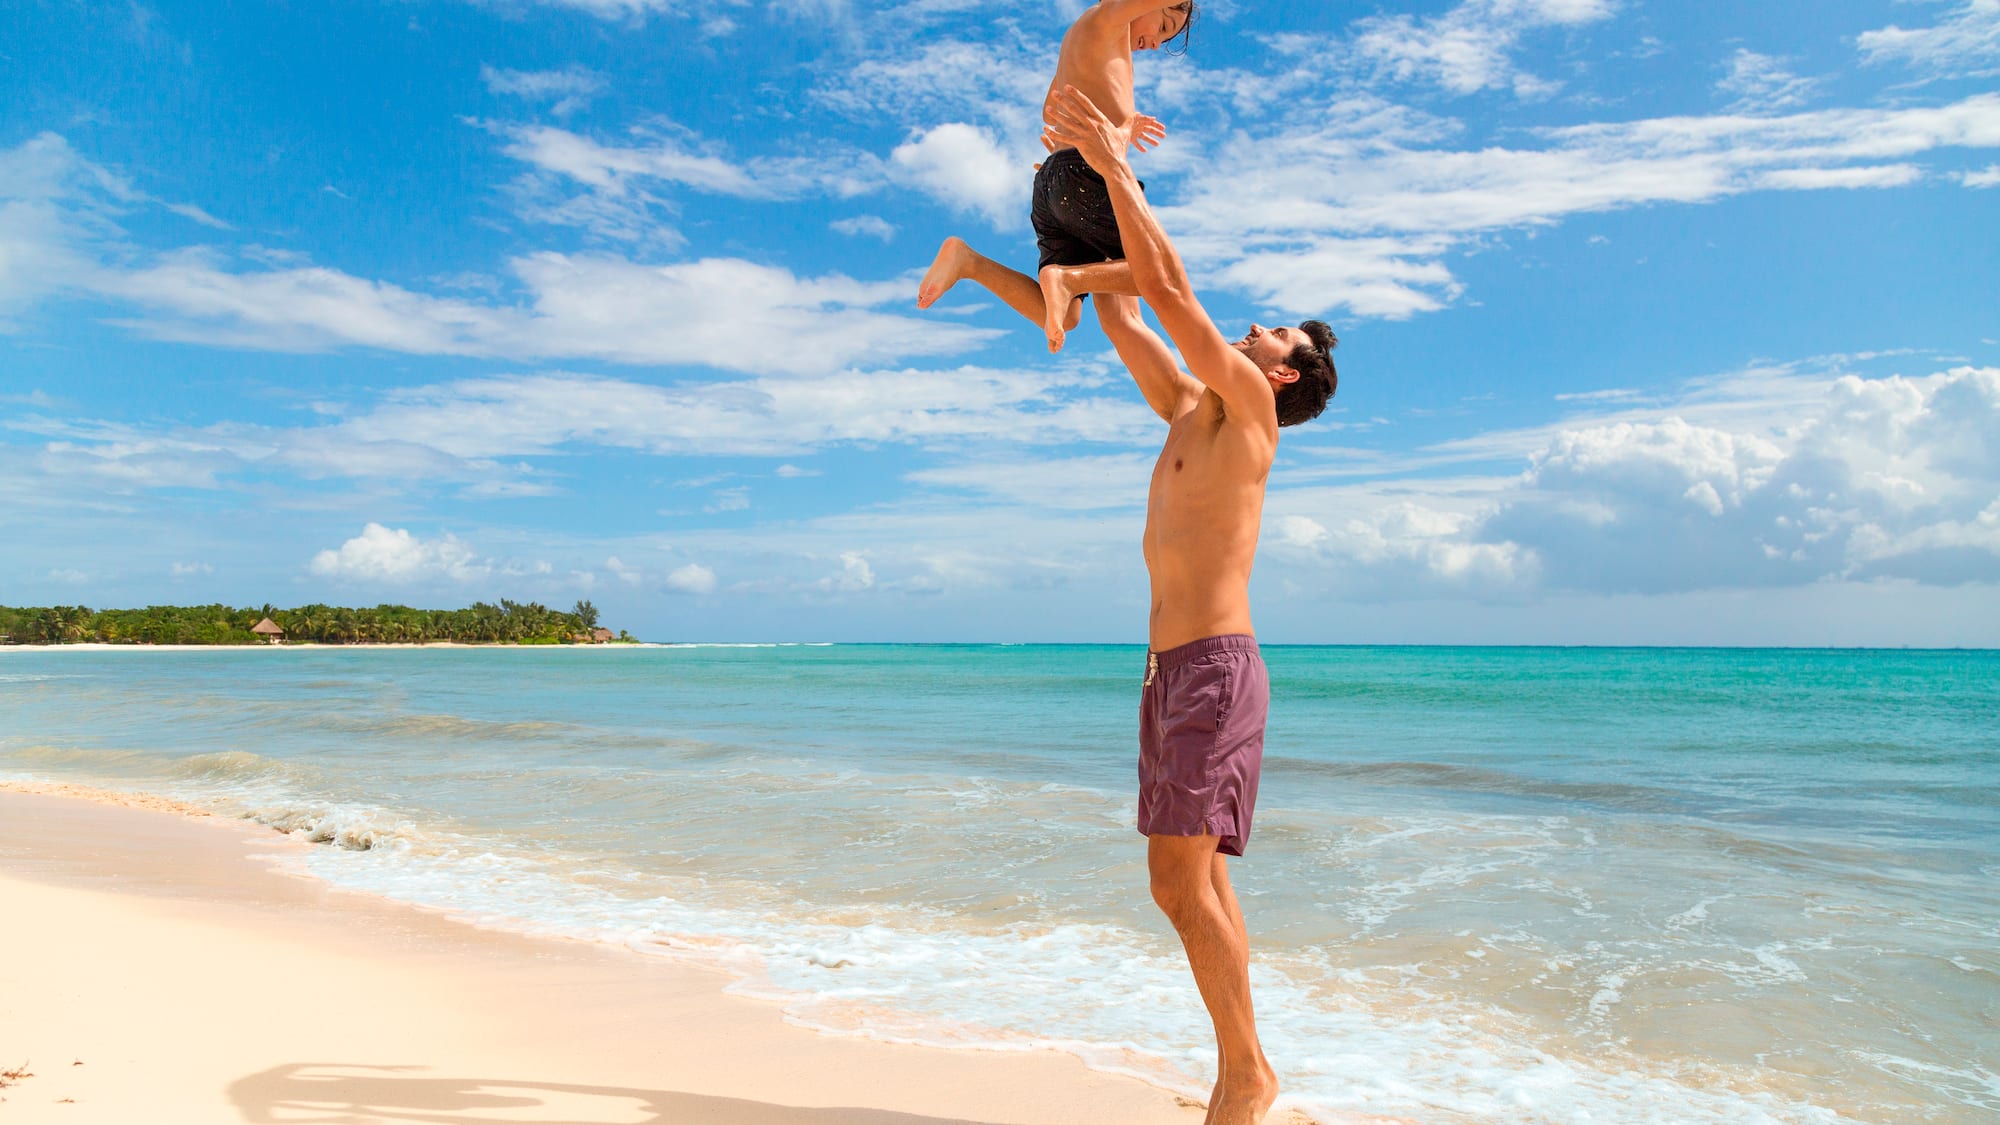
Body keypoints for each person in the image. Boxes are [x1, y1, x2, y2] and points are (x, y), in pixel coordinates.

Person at [1043, 82, 1338, 1125]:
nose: (1256, 329)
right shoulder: (1187, 410)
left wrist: (1118, 167)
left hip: (1214, 668)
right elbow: (1128, 312)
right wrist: (1083, 191)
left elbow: (1169, 290)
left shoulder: (1249, 407)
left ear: (1284, 378)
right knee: (1200, 883)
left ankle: (1246, 1073)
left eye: (1275, 335)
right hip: (1169, 673)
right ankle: (1241, 1072)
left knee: (1175, 883)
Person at [916, 0, 1194, 353]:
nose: (1156, 44)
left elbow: (1051, 110)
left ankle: (969, 261)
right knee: (1163, 273)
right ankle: (1067, 279)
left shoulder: (1089, 43)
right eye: (1164, 27)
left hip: (1052, 180)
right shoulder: (1108, 19)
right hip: (1085, 176)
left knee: (1065, 316)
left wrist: (1119, 126)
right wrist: (1118, 131)